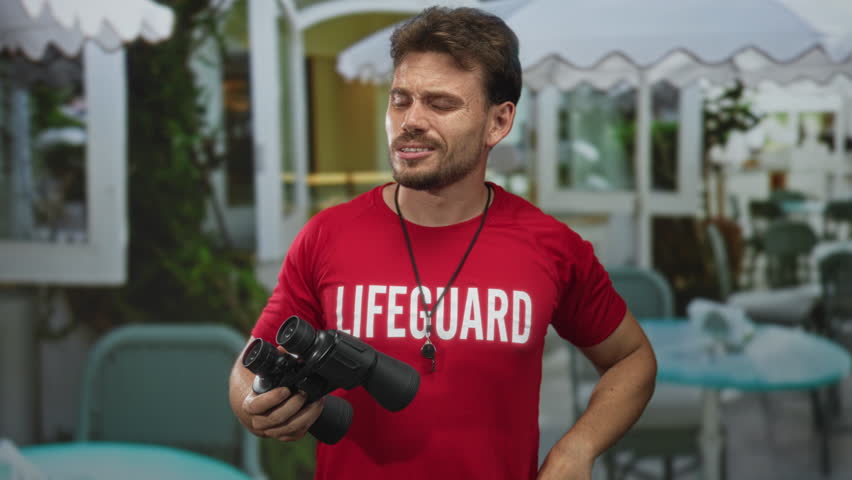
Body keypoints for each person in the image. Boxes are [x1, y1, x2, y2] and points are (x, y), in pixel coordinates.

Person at [229, 6, 656, 480]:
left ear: (498, 122)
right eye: (400, 99)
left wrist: (579, 448)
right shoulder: (327, 234)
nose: (410, 120)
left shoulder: (551, 246)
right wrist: (254, 404)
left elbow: (632, 359)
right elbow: (249, 366)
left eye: (440, 103)